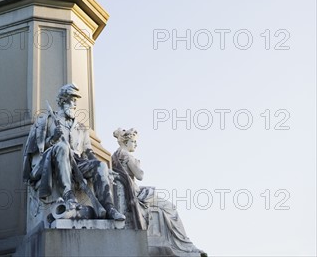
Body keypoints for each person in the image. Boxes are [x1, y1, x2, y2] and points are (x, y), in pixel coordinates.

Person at [23, 84, 125, 221]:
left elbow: (88, 152)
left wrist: (101, 166)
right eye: (72, 100)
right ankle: (68, 195)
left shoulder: (82, 128)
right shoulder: (48, 121)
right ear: (63, 101)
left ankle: (109, 208)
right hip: (54, 157)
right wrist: (53, 139)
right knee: (63, 147)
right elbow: (38, 149)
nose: (75, 104)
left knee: (100, 165)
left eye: (76, 101)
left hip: (78, 162)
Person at [112, 128, 207, 256]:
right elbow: (140, 175)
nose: (135, 145)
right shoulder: (126, 155)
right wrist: (137, 163)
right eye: (133, 141)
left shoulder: (114, 155)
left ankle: (184, 245)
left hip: (131, 192)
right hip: (136, 194)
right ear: (126, 141)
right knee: (170, 208)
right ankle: (185, 245)